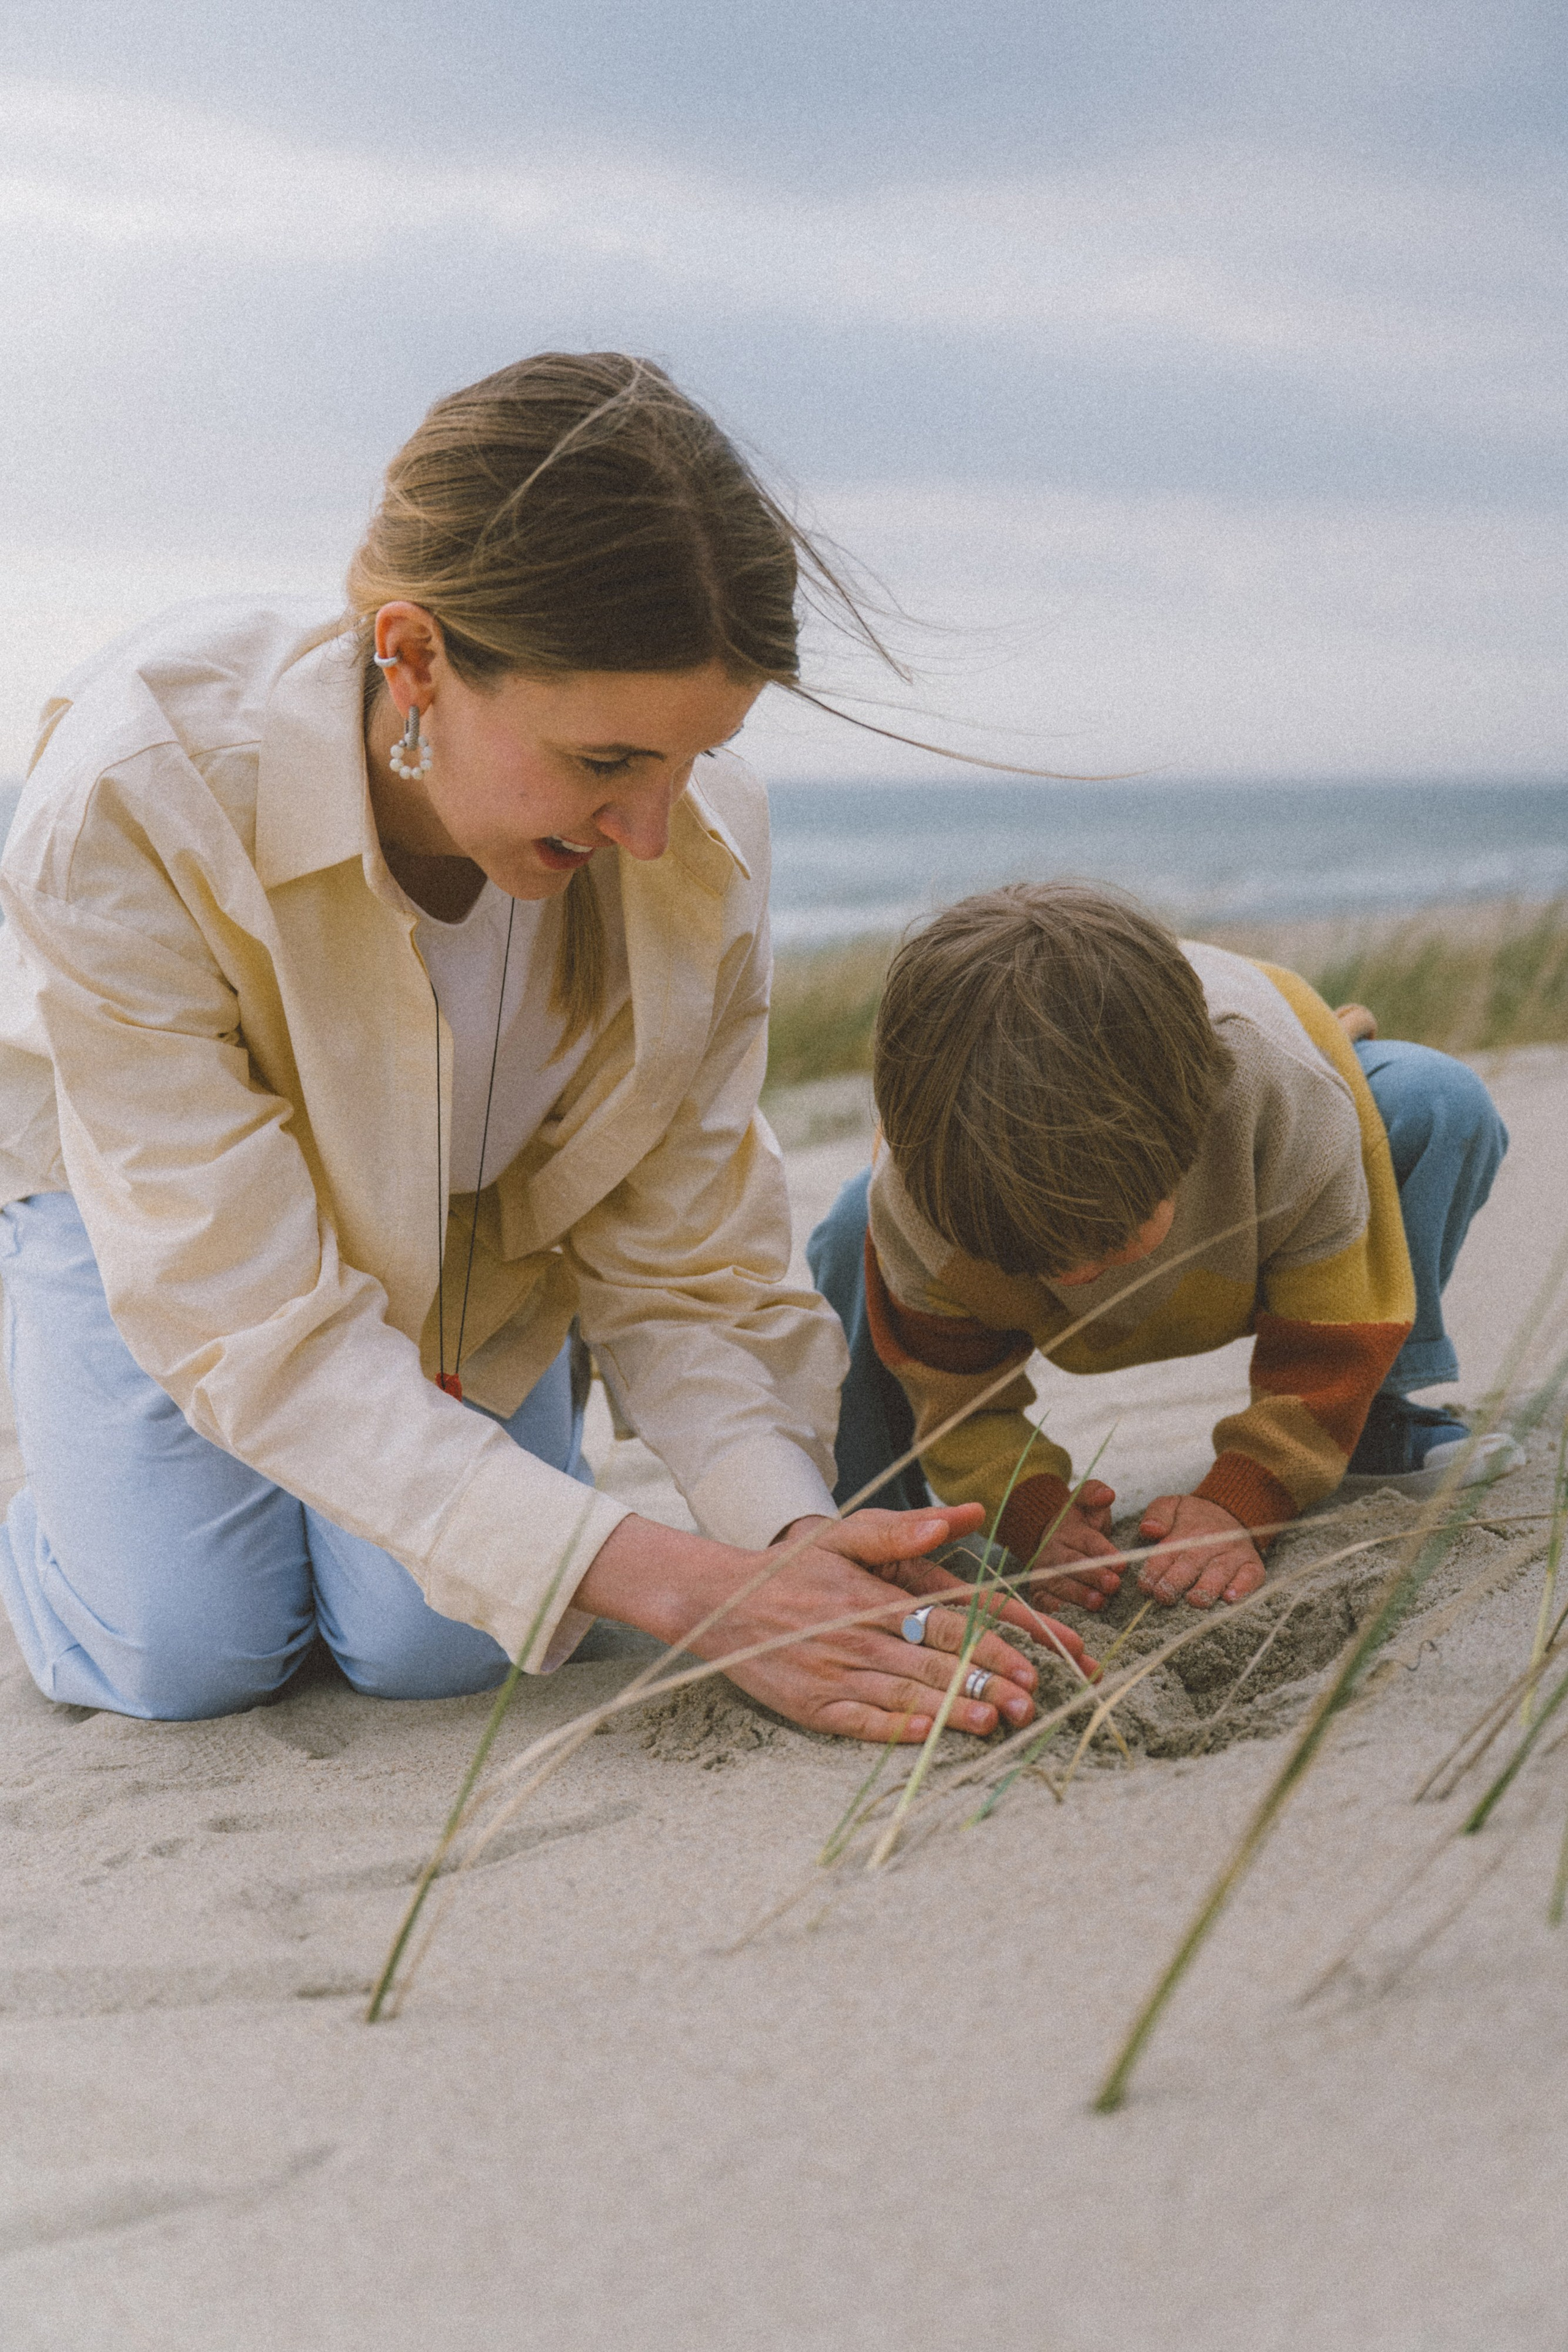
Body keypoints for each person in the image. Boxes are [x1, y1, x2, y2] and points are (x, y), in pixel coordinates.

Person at [0, 353, 1088, 1741]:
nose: (654, 830)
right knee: (187, 1647)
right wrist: (690, 1594)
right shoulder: (135, 793)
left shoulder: (696, 840)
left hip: (467, 1230)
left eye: (696, 757)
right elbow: (240, 1310)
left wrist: (786, 1542)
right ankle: (64, 1498)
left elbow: (684, 1257)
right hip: (152, 1219)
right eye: (605, 762)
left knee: (439, 1645)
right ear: (413, 659)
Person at [809, 882, 1514, 1615]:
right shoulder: (920, 1201)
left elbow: (1331, 1334)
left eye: (1111, 1237)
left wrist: (1244, 1498)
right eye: (1037, 1259)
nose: (1079, 1274)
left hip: (1250, 1232)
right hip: (983, 1229)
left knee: (1436, 1101)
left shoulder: (1280, 1094)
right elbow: (957, 1403)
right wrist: (1030, 1511)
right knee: (851, 1230)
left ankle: (1367, 1422)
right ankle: (876, 1521)